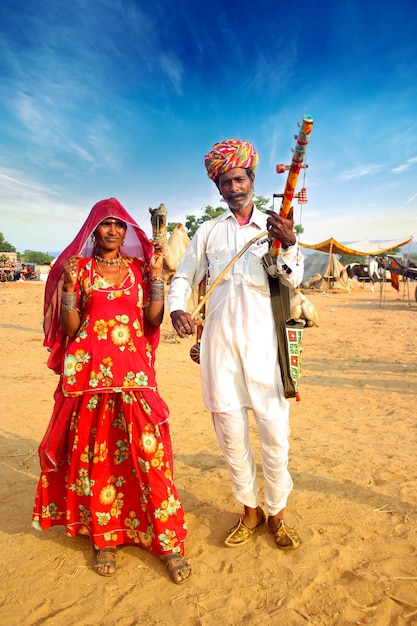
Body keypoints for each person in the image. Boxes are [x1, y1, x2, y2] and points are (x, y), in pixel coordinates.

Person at [32, 198, 191, 583]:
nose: (114, 232)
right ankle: (103, 538)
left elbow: (152, 320)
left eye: (120, 225)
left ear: (127, 232)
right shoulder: (80, 269)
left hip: (134, 375)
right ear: (94, 230)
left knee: (148, 454)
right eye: (106, 225)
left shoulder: (139, 268)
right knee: (97, 458)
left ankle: (167, 541)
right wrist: (70, 287)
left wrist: (157, 279)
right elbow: (71, 329)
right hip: (90, 378)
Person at [167, 139, 304, 549]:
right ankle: (249, 510)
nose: (233, 188)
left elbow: (293, 278)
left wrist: (291, 242)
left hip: (264, 344)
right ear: (218, 187)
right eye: (225, 182)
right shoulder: (208, 232)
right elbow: (183, 276)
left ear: (252, 180)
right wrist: (177, 307)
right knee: (229, 431)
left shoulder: (273, 225)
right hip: (219, 346)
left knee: (274, 430)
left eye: (239, 179)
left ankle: (277, 511)